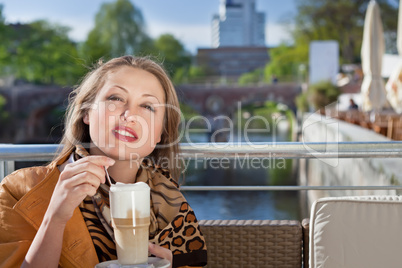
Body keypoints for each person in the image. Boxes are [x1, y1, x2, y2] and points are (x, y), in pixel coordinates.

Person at [0, 56, 207, 267]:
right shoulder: (19, 192)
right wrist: (54, 219)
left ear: (160, 135)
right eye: (116, 98)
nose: (130, 115)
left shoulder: (171, 200)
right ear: (86, 112)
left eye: (147, 106)